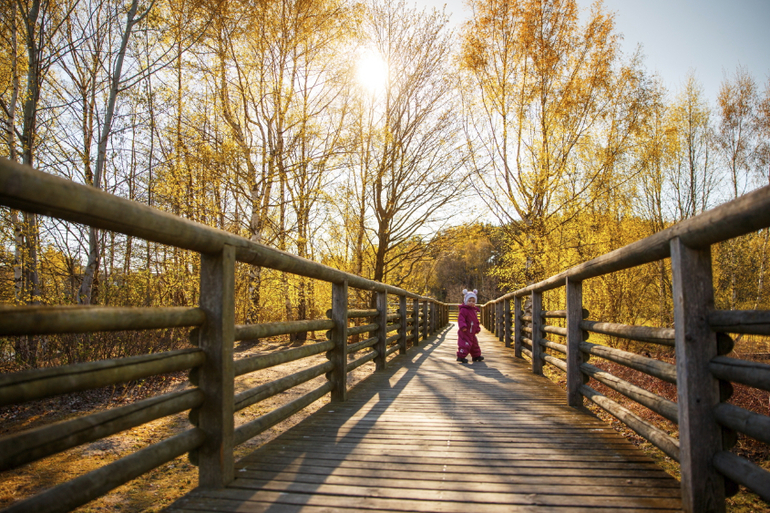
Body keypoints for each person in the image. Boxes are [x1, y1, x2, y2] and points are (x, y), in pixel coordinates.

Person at [457, 289, 483, 364]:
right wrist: (463, 326)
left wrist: (477, 327)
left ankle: (476, 356)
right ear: (465, 301)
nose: (471, 302)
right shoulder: (463, 310)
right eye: (469, 301)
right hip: (465, 331)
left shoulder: (474, 311)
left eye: (473, 301)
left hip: (472, 332)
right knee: (465, 344)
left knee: (474, 344)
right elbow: (461, 319)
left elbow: (476, 321)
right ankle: (461, 356)